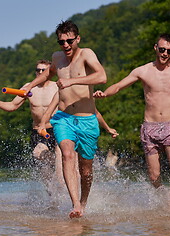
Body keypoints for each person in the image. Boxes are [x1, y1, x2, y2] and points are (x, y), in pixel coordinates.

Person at [93, 33, 170, 205]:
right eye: (162, 50)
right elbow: (118, 86)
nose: (165, 54)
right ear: (156, 48)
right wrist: (104, 93)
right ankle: (164, 202)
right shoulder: (143, 71)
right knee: (154, 177)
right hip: (150, 128)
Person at [23, 20, 108, 218]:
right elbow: (48, 75)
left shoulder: (86, 54)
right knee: (67, 154)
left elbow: (102, 77)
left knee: (86, 171)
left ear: (77, 38)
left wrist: (73, 80)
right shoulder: (57, 57)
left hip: (86, 120)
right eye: (62, 42)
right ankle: (76, 204)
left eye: (70, 41)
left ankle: (84, 201)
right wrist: (30, 86)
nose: (66, 45)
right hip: (63, 118)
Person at [0, 60, 64, 194]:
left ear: (49, 72)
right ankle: (51, 195)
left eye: (43, 70)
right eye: (38, 70)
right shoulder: (29, 88)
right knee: (38, 156)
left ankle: (65, 194)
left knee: (60, 169)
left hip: (56, 129)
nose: (40, 72)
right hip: (38, 131)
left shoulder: (57, 87)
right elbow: (13, 105)